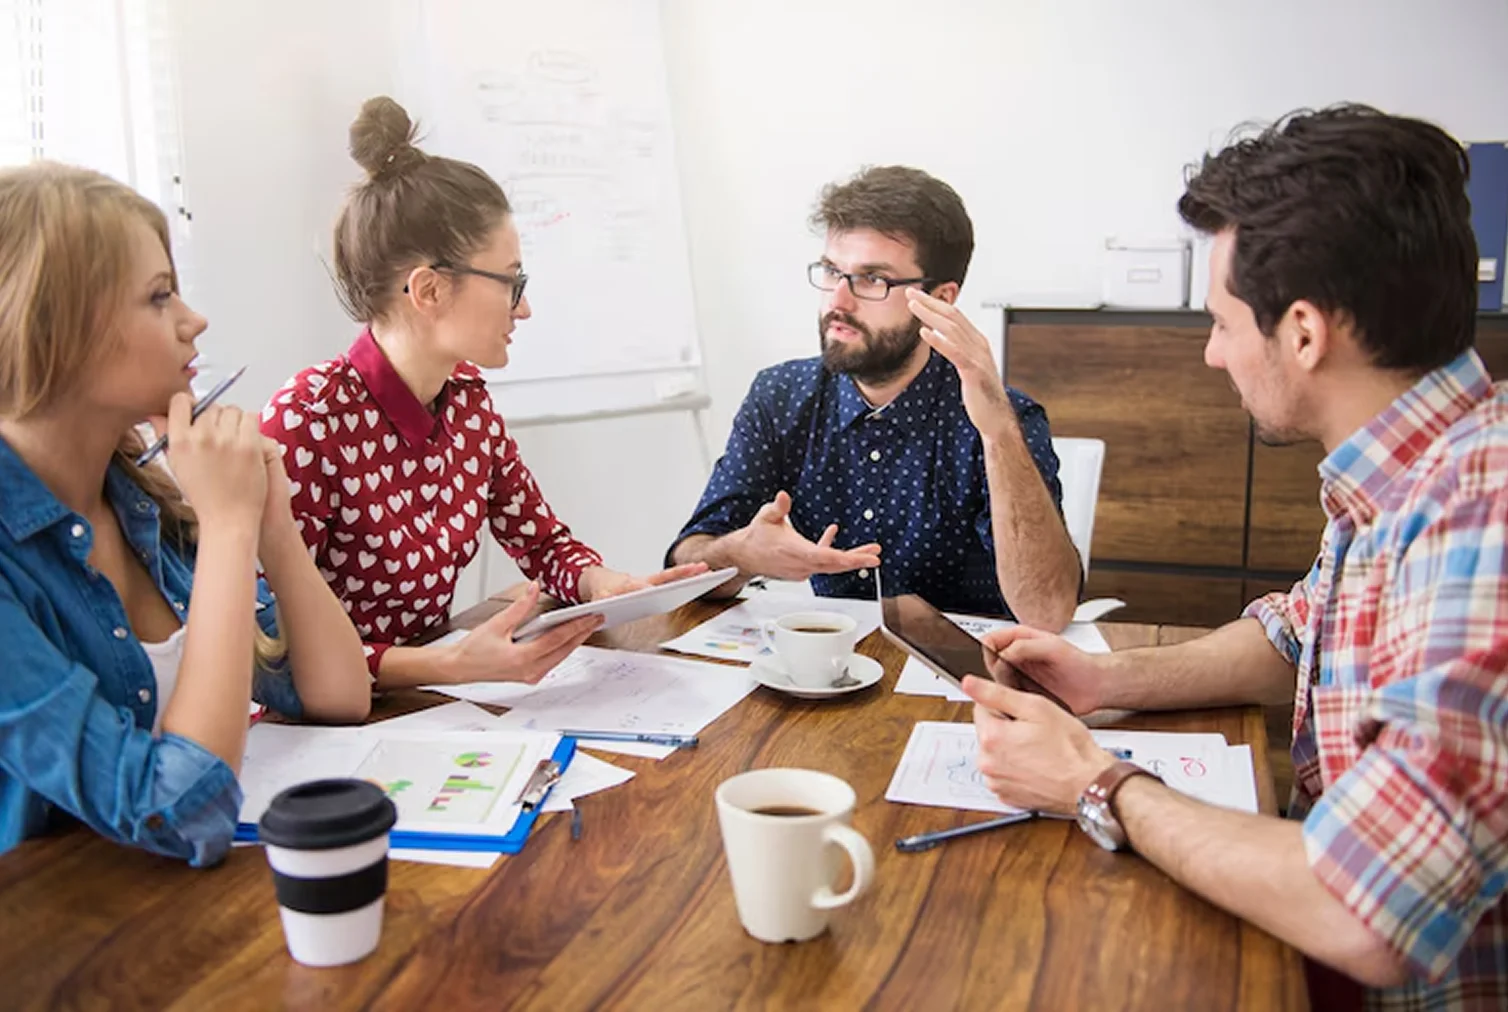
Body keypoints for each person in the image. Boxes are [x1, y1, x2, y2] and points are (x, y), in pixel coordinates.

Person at [964, 106, 1506, 1010]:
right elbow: (1296, 641)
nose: (1213, 354)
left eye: (1221, 322)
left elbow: (1367, 909)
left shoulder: (1478, 513)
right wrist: (1108, 683)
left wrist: (1095, 783)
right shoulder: (1408, 466)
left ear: (1303, 333)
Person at [0, 163, 371, 866]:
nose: (193, 321)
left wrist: (270, 523)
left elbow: (336, 695)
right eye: (160, 296)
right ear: (54, 329)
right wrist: (229, 531)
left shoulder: (138, 501)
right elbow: (181, 813)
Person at [263, 97, 701, 691]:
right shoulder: (308, 419)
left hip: (428, 705)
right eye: (510, 281)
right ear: (429, 290)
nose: (524, 307)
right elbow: (273, 650)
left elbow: (542, 542)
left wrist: (605, 585)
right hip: (322, 735)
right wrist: (449, 664)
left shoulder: (467, 401)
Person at [666, 166, 1081, 630]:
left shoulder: (1002, 415)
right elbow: (686, 563)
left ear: (940, 298)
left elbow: (1047, 612)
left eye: (873, 280)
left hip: (965, 678)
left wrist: (998, 434)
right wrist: (741, 554)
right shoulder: (779, 397)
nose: (839, 301)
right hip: (833, 669)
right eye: (830, 271)